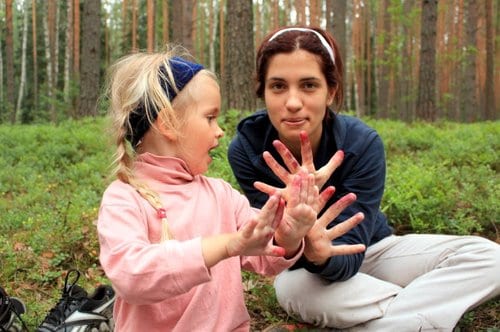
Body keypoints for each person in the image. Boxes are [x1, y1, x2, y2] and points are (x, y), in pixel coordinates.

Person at [228, 25, 500, 331]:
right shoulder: (248, 149)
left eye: (308, 85)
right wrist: (310, 249)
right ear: (262, 90)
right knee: (291, 288)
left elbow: (353, 250)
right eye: (278, 86)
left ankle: (394, 318)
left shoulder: (362, 143)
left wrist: (327, 252)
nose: (292, 102)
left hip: (374, 249)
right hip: (304, 270)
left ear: (330, 91)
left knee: (490, 259)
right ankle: (420, 312)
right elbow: (278, 251)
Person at [96, 48, 358, 331]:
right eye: (210, 118)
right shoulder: (124, 198)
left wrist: (290, 232)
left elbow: (263, 256)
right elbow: (131, 276)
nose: (220, 130)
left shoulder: (220, 194)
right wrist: (226, 245)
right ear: (168, 124)